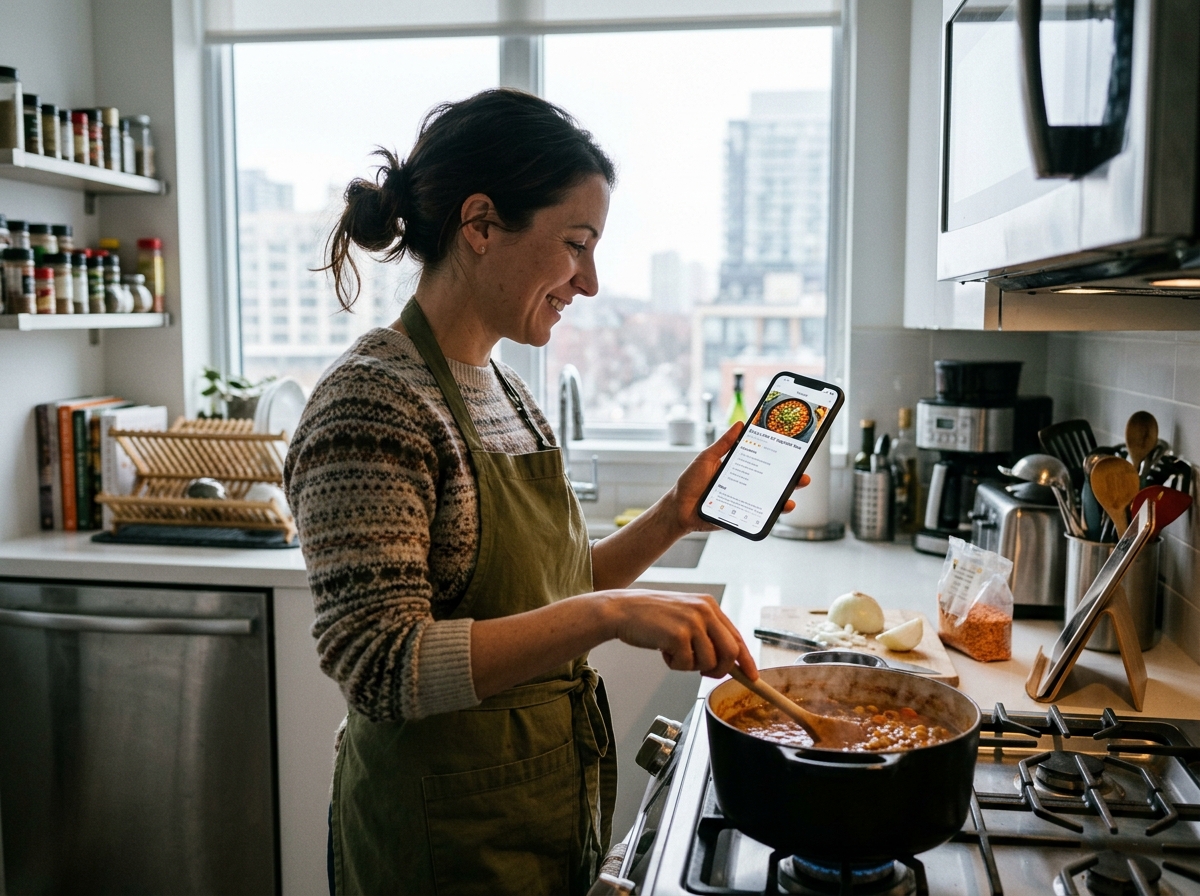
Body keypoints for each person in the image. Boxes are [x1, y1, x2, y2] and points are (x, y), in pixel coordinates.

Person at [283, 89, 806, 896]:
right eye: (576, 243)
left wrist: (674, 515)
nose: (590, 281)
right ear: (483, 224)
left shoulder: (511, 396)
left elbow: (552, 592)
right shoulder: (372, 404)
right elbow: (381, 666)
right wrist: (610, 616)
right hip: (436, 844)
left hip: (534, 818)